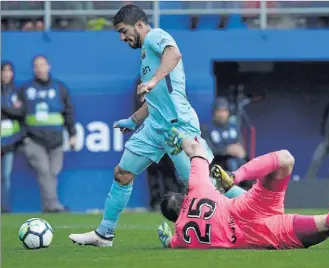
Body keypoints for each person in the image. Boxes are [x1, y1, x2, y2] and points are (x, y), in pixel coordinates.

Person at [69, 4, 245, 247]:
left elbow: (174, 55)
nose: (122, 38)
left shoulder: (156, 36)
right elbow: (155, 100)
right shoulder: (145, 56)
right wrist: (133, 120)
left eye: (124, 31)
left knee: (205, 185)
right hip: (155, 126)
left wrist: (152, 80)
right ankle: (104, 234)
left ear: (139, 25)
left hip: (178, 126)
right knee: (122, 174)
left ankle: (256, 210)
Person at [156, 128, 329, 249]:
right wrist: (179, 139)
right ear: (182, 196)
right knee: (285, 159)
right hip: (245, 207)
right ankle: (236, 174)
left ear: (174, 218)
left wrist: (165, 237)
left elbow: (170, 243)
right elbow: (196, 149)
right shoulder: (197, 188)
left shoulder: (181, 236)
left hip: (254, 234)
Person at [19, 55, 76, 213]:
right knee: (44, 171)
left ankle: (49, 206)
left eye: (43, 65)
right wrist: (24, 137)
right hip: (34, 139)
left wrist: (72, 134)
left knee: (53, 173)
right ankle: (53, 205)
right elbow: (19, 114)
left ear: (48, 66)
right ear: (33, 69)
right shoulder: (26, 89)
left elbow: (68, 112)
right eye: (37, 65)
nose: (40, 68)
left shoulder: (59, 87)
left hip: (56, 139)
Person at [1, 62, 24, 213]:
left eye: (9, 71)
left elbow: (20, 113)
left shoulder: (17, 92)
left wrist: (4, 109)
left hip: (9, 141)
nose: (6, 74)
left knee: (5, 176)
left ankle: (4, 208)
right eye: (4, 71)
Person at [202, 97, 247, 172]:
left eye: (224, 111)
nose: (222, 114)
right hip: (217, 164)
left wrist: (241, 151)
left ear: (228, 112)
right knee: (231, 164)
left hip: (236, 160)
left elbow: (241, 147)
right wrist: (225, 151)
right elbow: (208, 152)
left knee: (245, 164)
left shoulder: (234, 127)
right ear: (214, 113)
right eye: (219, 111)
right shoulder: (206, 129)